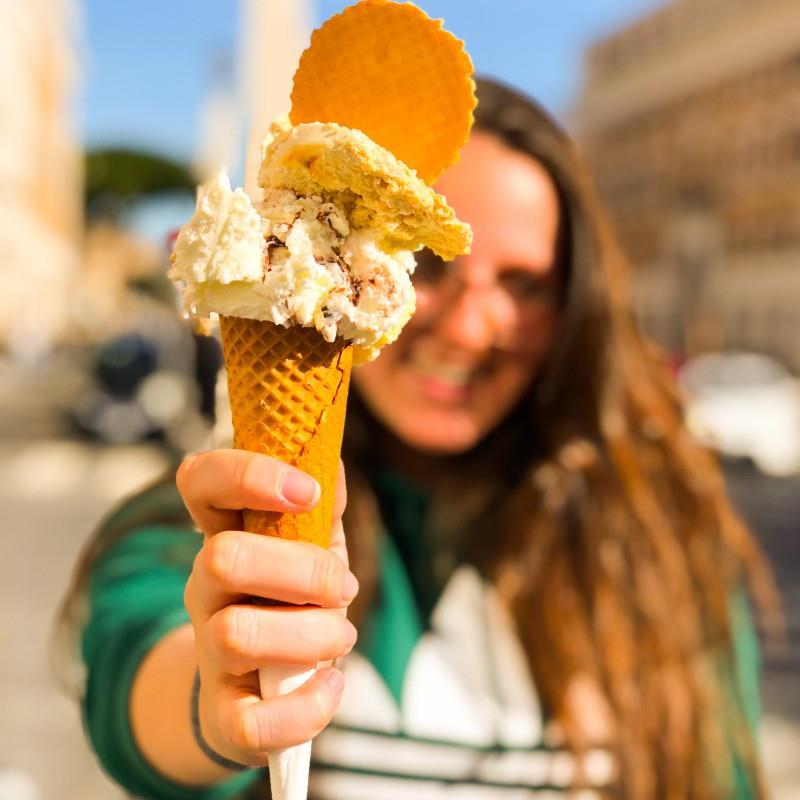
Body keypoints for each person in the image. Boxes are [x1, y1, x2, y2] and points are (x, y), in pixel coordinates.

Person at [58, 78, 777, 800]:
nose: (469, 328)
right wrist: (217, 698)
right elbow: (136, 674)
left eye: (523, 284)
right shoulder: (221, 510)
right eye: (431, 263)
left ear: (572, 308)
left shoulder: (660, 541)